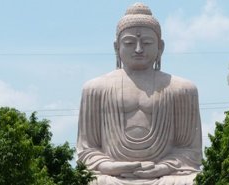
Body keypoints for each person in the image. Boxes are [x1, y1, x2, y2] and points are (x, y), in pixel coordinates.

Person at [77, 3, 202, 184]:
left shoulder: (182, 89)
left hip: (165, 176)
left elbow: (190, 151)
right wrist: (111, 166)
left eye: (147, 43)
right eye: (129, 43)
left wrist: (161, 168)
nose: (138, 49)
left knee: (194, 181)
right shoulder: (95, 89)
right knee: (89, 181)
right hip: (112, 177)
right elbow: (87, 150)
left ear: (160, 47)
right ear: (116, 47)